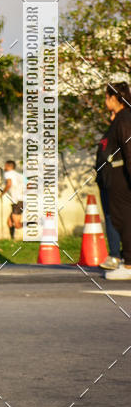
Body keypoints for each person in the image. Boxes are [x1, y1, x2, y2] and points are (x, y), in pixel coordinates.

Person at [101, 82, 131, 280]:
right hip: (116, 180)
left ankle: (129, 265)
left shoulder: (125, 119)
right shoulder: (120, 118)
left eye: (106, 97)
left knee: (125, 219)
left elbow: (129, 151)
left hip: (122, 180)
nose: (104, 102)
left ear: (114, 98)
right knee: (121, 220)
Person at [96, 110, 122, 270]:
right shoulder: (109, 134)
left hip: (115, 182)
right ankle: (116, 255)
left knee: (113, 217)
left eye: (113, 113)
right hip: (105, 181)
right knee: (110, 217)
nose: (111, 116)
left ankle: (116, 256)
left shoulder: (122, 134)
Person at [1, 160, 24, 238]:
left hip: (17, 201)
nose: (4, 167)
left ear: (8, 166)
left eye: (5, 165)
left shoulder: (8, 173)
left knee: (17, 225)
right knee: (9, 222)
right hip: (20, 201)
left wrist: (2, 193)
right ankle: (12, 240)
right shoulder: (19, 175)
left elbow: (9, 184)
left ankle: (37, 223)